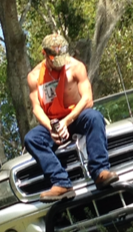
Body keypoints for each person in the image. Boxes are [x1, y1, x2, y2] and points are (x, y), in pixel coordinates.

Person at [24, 33, 118, 202]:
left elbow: (87, 99)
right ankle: (61, 183)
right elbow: (36, 108)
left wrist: (66, 121)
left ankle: (100, 172)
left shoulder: (76, 67)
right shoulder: (34, 77)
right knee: (31, 139)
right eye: (55, 60)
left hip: (76, 116)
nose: (60, 64)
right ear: (44, 54)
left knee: (95, 117)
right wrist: (51, 127)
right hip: (53, 122)